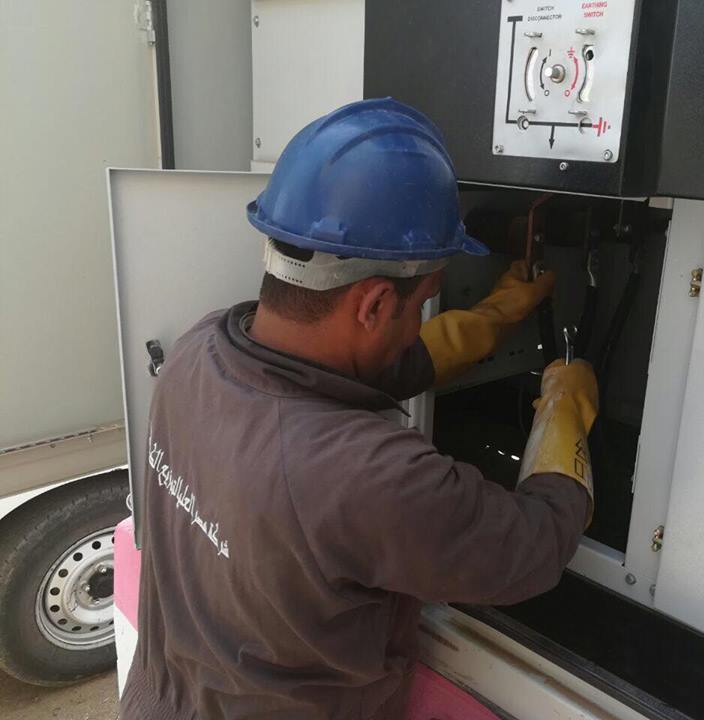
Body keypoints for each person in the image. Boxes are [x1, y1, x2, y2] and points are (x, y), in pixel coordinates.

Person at [120, 98, 598, 720]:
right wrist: (565, 412)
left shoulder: (198, 351)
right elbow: (533, 545)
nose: (419, 321)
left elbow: (345, 367)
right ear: (372, 304)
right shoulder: (369, 476)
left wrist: (494, 316)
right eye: (422, 303)